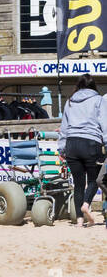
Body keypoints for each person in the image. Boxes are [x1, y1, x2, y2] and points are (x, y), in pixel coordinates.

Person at [58, 76, 105, 227]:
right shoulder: (98, 100)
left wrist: (61, 147)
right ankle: (86, 204)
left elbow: (64, 127)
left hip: (71, 143)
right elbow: (104, 122)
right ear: (93, 86)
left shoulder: (70, 101)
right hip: (91, 142)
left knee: (78, 184)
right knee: (95, 179)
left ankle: (79, 221)